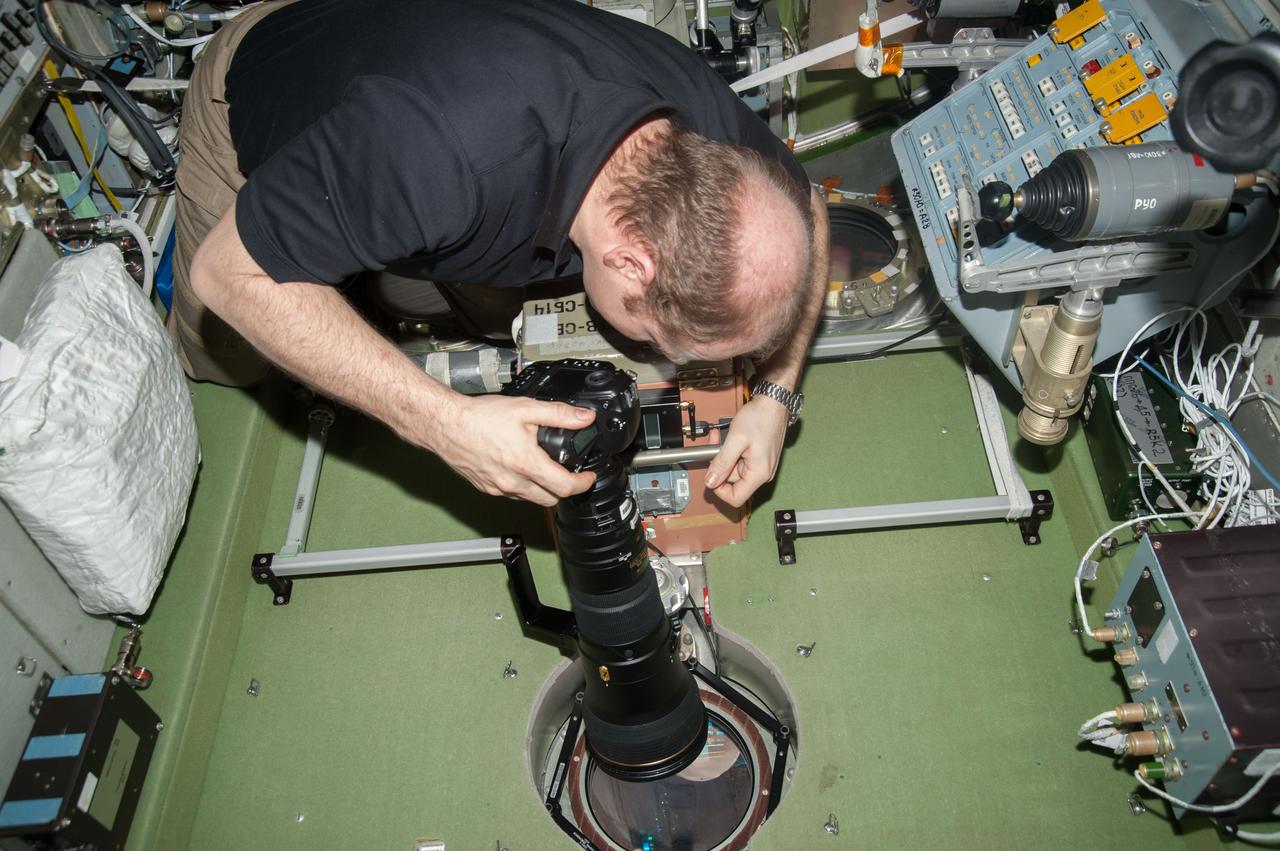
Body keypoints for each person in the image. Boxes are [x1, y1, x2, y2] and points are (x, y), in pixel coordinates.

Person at [173, 0, 829, 508]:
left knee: (454, 298)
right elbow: (227, 272)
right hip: (257, 100)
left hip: (414, 99)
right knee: (232, 354)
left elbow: (808, 208)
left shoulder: (704, 128)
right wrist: (445, 424)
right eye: (668, 341)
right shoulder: (441, 155)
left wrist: (775, 395)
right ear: (631, 261)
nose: (668, 358)